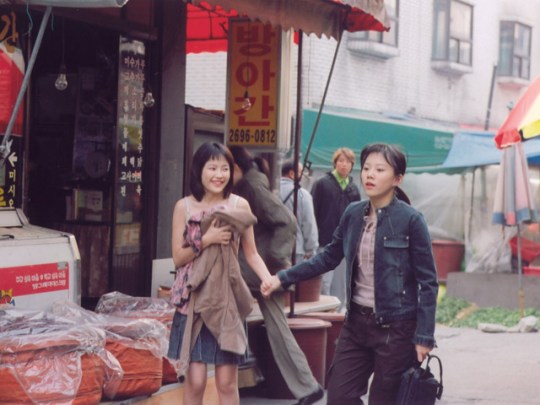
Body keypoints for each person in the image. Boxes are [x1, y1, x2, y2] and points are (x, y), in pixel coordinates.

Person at [262, 143, 439, 405]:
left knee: (383, 400)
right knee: (339, 397)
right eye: (366, 168)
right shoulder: (353, 214)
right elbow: (328, 257)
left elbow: (428, 282)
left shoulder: (411, 220)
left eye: (380, 169)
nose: (370, 174)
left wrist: (424, 336)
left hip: (396, 329)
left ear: (397, 179)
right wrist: (283, 277)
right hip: (356, 324)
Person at [167, 142, 274, 405]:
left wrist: (268, 279)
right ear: (199, 170)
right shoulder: (184, 207)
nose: (219, 175)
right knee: (195, 380)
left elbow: (251, 253)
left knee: (226, 382)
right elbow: (178, 257)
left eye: (225, 168)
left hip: (226, 299)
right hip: (193, 301)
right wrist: (207, 239)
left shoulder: (239, 205)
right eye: (212, 168)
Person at [229, 146, 324, 405]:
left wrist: (274, 260)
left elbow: (287, 221)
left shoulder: (251, 186)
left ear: (235, 167)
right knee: (270, 328)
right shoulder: (250, 184)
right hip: (258, 271)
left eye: (225, 166)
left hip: (260, 271)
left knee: (271, 328)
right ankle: (305, 386)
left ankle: (306, 386)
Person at [311, 147, 361, 309]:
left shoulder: (354, 189)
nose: (344, 164)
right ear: (335, 163)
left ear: (352, 165)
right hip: (324, 240)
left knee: (341, 283)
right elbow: (313, 212)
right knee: (324, 281)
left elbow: (358, 218)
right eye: (341, 161)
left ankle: (338, 314)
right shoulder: (322, 184)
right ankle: (324, 311)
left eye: (348, 162)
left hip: (346, 244)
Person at [279, 158, 318, 264]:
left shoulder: (272, 190)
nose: (303, 176)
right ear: (292, 174)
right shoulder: (302, 194)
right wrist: (311, 249)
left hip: (272, 247)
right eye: (301, 172)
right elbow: (308, 223)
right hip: (296, 249)